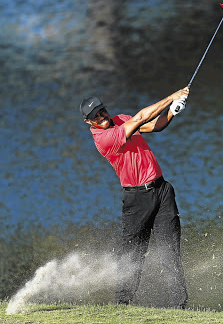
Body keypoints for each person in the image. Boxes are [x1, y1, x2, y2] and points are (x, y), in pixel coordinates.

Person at [79, 87, 190, 309]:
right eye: (95, 117)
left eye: (102, 112)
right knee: (134, 252)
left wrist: (172, 111)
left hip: (162, 190)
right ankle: (123, 303)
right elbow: (141, 117)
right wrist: (171, 97)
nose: (101, 118)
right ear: (88, 122)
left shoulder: (121, 120)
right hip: (137, 199)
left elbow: (154, 125)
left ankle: (179, 305)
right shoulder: (104, 139)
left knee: (170, 249)